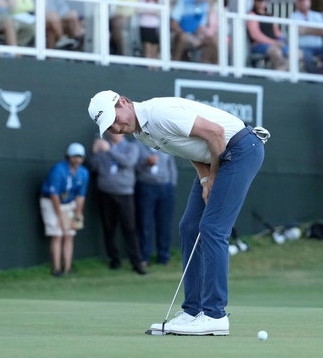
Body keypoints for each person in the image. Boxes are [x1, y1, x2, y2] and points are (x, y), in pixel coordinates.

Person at [87, 90, 268, 336]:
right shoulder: (142, 134)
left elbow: (215, 134)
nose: (116, 128)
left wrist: (213, 175)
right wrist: (205, 178)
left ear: (123, 102)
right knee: (190, 227)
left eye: (115, 119)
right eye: (109, 126)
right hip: (218, 158)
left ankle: (215, 315)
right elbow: (191, 150)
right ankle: (192, 311)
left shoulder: (159, 113)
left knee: (213, 228)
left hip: (240, 149)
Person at [86, 132, 146, 275]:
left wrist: (110, 150)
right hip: (105, 193)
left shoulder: (131, 146)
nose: (111, 132)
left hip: (125, 193)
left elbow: (128, 162)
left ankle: (136, 263)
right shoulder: (102, 145)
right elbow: (92, 167)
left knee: (129, 228)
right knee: (108, 228)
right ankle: (114, 260)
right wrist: (94, 153)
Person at [39, 143, 90, 277]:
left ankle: (67, 268)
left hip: (69, 203)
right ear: (68, 157)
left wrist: (78, 214)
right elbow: (54, 194)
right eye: (74, 156)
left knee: (69, 235)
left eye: (80, 157)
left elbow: (80, 196)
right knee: (57, 235)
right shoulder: (58, 170)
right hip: (51, 203)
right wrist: (60, 216)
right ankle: (56, 269)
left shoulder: (84, 172)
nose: (77, 159)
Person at [134, 141, 177, 266]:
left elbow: (172, 168)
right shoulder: (138, 145)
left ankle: (164, 256)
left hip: (165, 188)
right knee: (145, 223)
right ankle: (144, 257)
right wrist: (145, 163)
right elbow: (134, 168)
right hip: (145, 187)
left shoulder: (165, 144)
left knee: (164, 224)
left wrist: (171, 185)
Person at [169, 0, 217, 64]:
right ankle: (174, 65)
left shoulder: (204, 5)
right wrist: (188, 36)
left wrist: (197, 37)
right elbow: (174, 24)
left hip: (194, 35)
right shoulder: (183, 2)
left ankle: (204, 67)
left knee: (211, 40)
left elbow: (201, 26)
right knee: (182, 37)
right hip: (180, 33)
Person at [246, 0, 289, 70]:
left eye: (263, 0)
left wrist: (281, 40)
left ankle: (283, 71)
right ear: (255, 1)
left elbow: (276, 31)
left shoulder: (269, 15)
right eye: (259, 0)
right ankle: (280, 74)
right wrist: (274, 42)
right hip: (259, 45)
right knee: (276, 52)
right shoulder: (252, 15)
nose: (262, 3)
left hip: (274, 43)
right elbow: (255, 35)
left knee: (296, 53)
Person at [289, 0, 323, 73]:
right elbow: (299, 30)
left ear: (309, 1)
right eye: (300, 1)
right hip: (303, 47)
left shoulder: (317, 15)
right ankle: (313, 80)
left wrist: (306, 30)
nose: (303, 3)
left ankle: (322, 78)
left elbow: (322, 31)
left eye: (304, 0)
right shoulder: (293, 16)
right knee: (307, 56)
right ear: (297, 3)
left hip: (319, 48)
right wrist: (314, 30)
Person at [137, 0, 162, 64]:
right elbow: (139, 10)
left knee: (155, 46)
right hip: (145, 26)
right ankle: (149, 64)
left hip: (155, 27)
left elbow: (161, 12)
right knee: (147, 47)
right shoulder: (143, 0)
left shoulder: (159, 1)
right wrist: (152, 11)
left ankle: (155, 65)